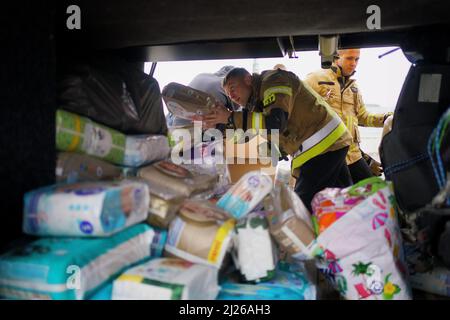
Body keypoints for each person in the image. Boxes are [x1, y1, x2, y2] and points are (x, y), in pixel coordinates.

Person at [195, 67, 353, 211]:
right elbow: (251, 133)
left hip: (322, 145)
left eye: (233, 88)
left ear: (248, 79)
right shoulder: (256, 104)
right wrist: (219, 127)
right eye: (228, 93)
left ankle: (299, 240)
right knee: (346, 201)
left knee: (300, 208)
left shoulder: (274, 80)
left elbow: (275, 122)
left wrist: (230, 117)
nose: (232, 96)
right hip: (329, 143)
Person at [305, 49, 393, 183]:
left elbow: (364, 117)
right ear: (336, 57)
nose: (354, 63)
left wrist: (388, 118)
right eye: (349, 58)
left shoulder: (354, 88)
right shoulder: (315, 80)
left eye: (357, 59)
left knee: (373, 189)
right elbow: (298, 112)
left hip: (353, 155)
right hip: (328, 155)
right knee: (342, 195)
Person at [166, 65, 238, 127]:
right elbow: (236, 115)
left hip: (171, 117)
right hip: (191, 126)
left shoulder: (202, 75)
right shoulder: (226, 85)